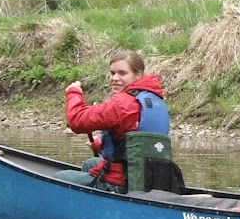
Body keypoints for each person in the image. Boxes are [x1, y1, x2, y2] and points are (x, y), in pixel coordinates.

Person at [65, 50, 169, 193]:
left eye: (122, 73)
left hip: (123, 181)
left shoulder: (122, 103)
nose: (115, 78)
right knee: (91, 164)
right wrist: (100, 146)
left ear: (138, 75)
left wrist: (74, 93)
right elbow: (137, 144)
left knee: (60, 178)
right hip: (151, 177)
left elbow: (77, 121)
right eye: (112, 73)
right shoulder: (154, 100)